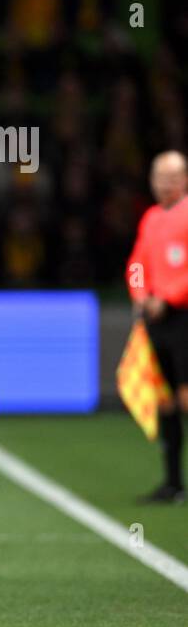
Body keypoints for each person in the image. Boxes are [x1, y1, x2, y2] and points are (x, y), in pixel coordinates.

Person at [127, 149, 188, 505]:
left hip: (182, 317)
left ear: (185, 179)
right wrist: (140, 295)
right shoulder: (151, 218)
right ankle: (173, 482)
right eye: (160, 177)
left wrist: (166, 297)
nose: (166, 184)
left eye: (173, 177)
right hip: (157, 318)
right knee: (165, 400)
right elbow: (137, 264)